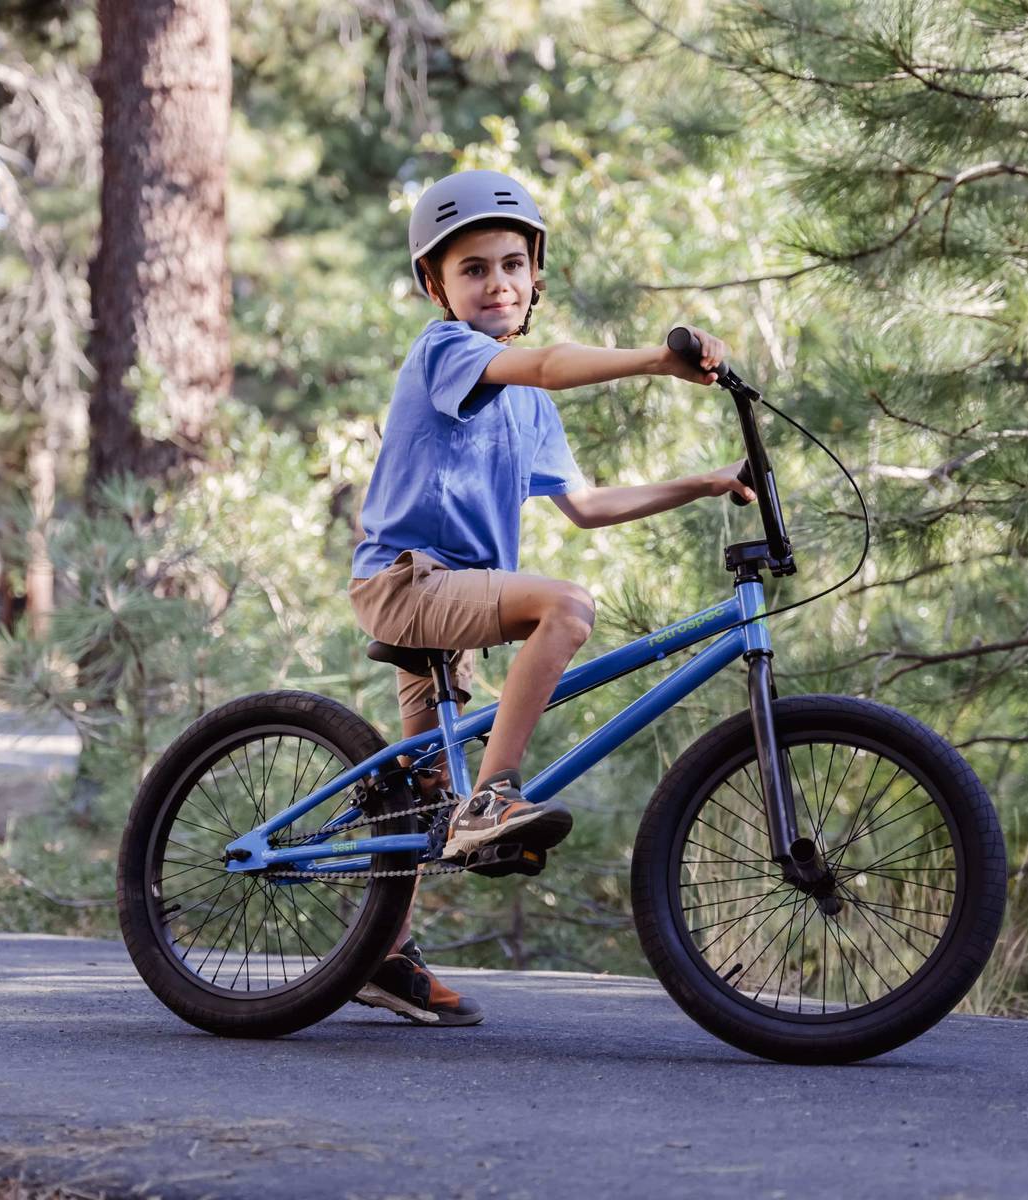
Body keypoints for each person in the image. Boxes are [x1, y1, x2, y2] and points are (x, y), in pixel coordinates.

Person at [348, 168, 756, 1026]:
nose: (495, 284)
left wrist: (705, 481)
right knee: (564, 607)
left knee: (423, 784)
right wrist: (656, 360)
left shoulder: (530, 409)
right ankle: (494, 795)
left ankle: (381, 953)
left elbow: (588, 506)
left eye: (511, 266)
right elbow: (547, 363)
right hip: (405, 582)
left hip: (452, 603)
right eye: (472, 270)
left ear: (536, 276)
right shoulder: (449, 352)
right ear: (437, 286)